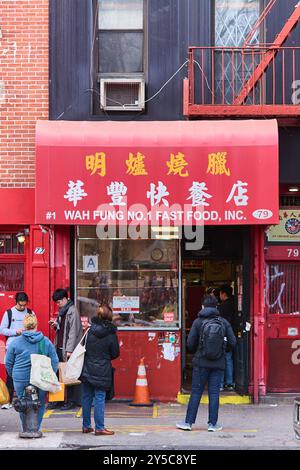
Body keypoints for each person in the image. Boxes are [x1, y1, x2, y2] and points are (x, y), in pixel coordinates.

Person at [176, 295, 236, 432]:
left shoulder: (198, 322)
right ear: (216, 307)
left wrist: (200, 349)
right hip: (218, 364)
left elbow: (190, 344)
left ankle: (188, 423)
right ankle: (212, 424)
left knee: (196, 392)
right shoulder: (224, 322)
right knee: (214, 393)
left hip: (201, 363)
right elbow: (233, 343)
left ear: (203, 306)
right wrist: (221, 350)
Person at [5, 313, 58, 432]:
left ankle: (26, 429)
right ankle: (35, 429)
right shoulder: (45, 341)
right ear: (36, 325)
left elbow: (8, 362)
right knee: (39, 404)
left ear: (24, 326)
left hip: (20, 378)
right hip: (40, 378)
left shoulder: (16, 342)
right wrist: (50, 375)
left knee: (22, 404)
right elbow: (54, 361)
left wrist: (13, 375)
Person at [79, 304, 119, 435]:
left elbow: (83, 347)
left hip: (87, 368)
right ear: (109, 316)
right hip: (102, 370)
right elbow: (115, 353)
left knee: (86, 397)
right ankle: (100, 427)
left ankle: (86, 426)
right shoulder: (111, 333)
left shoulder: (90, 330)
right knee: (99, 397)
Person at [49, 288, 83, 410]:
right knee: (58, 374)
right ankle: (58, 399)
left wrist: (69, 350)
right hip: (60, 346)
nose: (57, 304)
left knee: (69, 375)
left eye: (59, 302)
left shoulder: (72, 311)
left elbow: (73, 331)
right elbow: (63, 328)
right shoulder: (63, 310)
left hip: (67, 349)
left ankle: (71, 401)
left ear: (65, 299)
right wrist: (56, 325)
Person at [0, 292, 35, 409]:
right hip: (12, 347)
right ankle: (8, 400)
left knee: (28, 373)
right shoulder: (9, 313)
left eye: (24, 305)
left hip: (26, 348)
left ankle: (27, 400)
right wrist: (16, 332)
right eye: (20, 305)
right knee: (10, 375)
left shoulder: (30, 313)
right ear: (16, 302)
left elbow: (35, 328)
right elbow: (2, 330)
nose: (23, 307)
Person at [218, 284, 236, 391]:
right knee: (229, 358)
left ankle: (220, 383)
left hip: (223, 334)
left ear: (223, 294)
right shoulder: (234, 304)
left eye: (220, 294)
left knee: (221, 358)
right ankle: (229, 382)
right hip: (232, 334)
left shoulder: (222, 306)